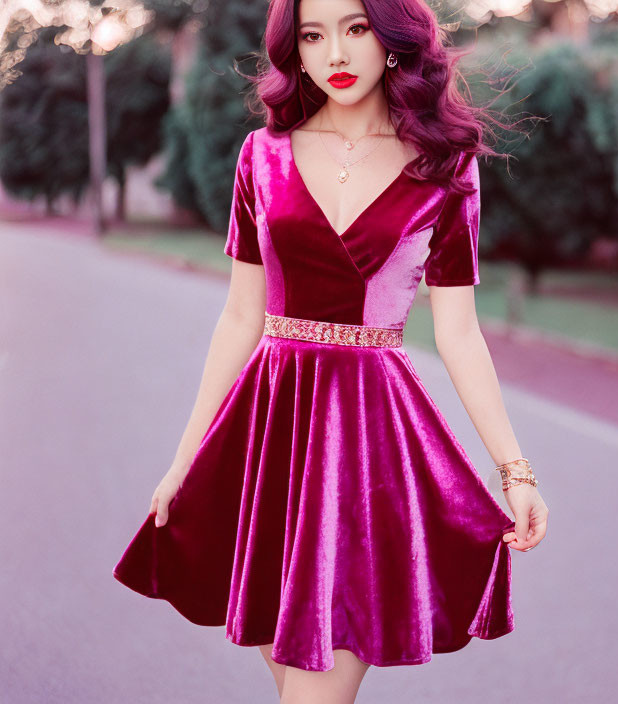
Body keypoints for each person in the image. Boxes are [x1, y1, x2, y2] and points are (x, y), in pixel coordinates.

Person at [113, 0, 549, 701]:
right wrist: (184, 460)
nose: (336, 54)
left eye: (356, 28)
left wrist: (514, 470)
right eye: (313, 36)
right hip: (267, 440)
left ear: (394, 39)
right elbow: (238, 317)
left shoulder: (446, 166)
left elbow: (459, 331)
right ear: (296, 51)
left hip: (368, 452)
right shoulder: (262, 155)